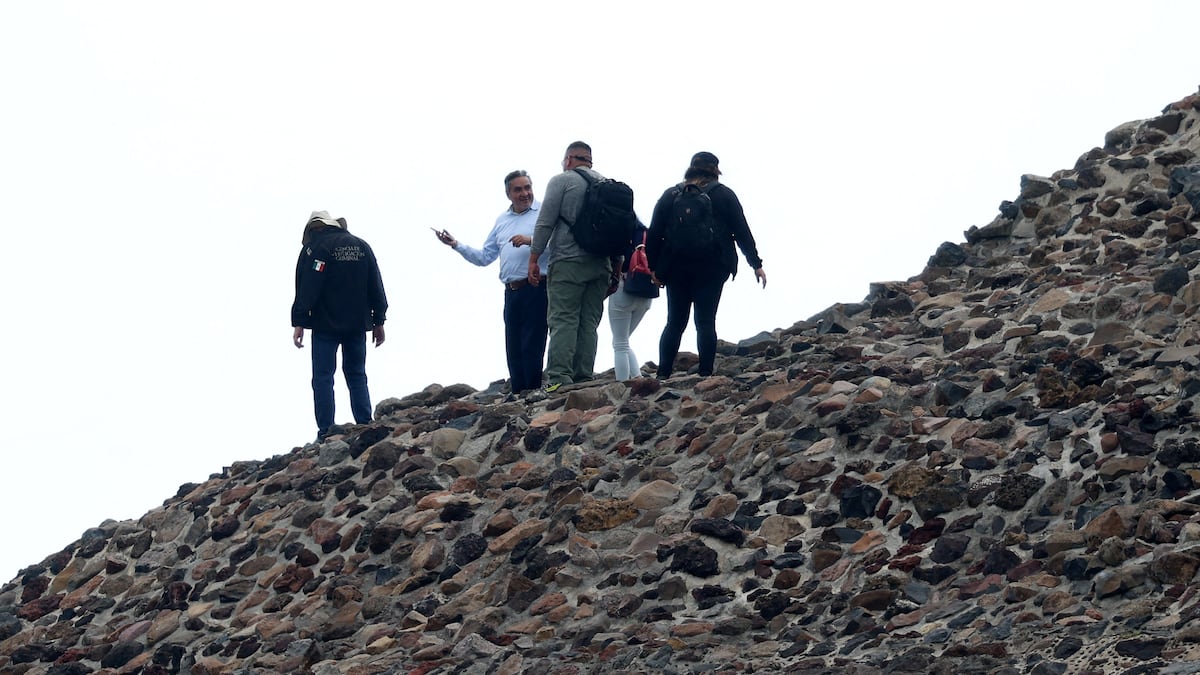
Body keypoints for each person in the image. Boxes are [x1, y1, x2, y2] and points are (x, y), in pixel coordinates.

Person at [646, 152, 766, 379]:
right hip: (713, 266)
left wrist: (654, 268)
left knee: (675, 322)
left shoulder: (671, 195)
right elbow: (741, 230)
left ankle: (663, 373)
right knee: (705, 321)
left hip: (675, 267)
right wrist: (755, 263)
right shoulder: (724, 194)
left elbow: (654, 233)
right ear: (716, 170)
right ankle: (705, 373)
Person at [434, 170, 548, 394]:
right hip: (511, 290)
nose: (525, 193)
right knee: (513, 345)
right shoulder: (502, 221)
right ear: (508, 194)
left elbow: (557, 243)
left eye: (527, 187)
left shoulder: (544, 213)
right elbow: (485, 257)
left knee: (532, 343)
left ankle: (533, 391)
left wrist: (530, 240)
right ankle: (518, 393)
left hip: (537, 285)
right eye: (518, 189)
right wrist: (456, 245)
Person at [291, 210, 388, 440]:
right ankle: (365, 421)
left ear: (315, 228)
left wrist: (299, 321)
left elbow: (309, 285)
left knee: (323, 377)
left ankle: (326, 430)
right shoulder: (362, 246)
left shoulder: (316, 249)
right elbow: (375, 283)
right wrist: (379, 320)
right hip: (357, 323)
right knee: (356, 373)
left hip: (325, 324)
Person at [528, 141, 613, 393]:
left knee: (563, 319)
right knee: (589, 322)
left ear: (568, 160)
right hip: (602, 263)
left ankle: (559, 378)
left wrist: (534, 258)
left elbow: (545, 222)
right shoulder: (607, 184)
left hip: (567, 261)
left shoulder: (562, 181)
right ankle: (583, 376)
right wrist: (617, 265)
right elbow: (618, 227)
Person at [608, 220, 657, 380]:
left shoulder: (618, 230)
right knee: (622, 341)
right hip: (646, 290)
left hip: (624, 288)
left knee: (620, 344)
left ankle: (622, 384)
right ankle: (637, 378)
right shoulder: (646, 234)